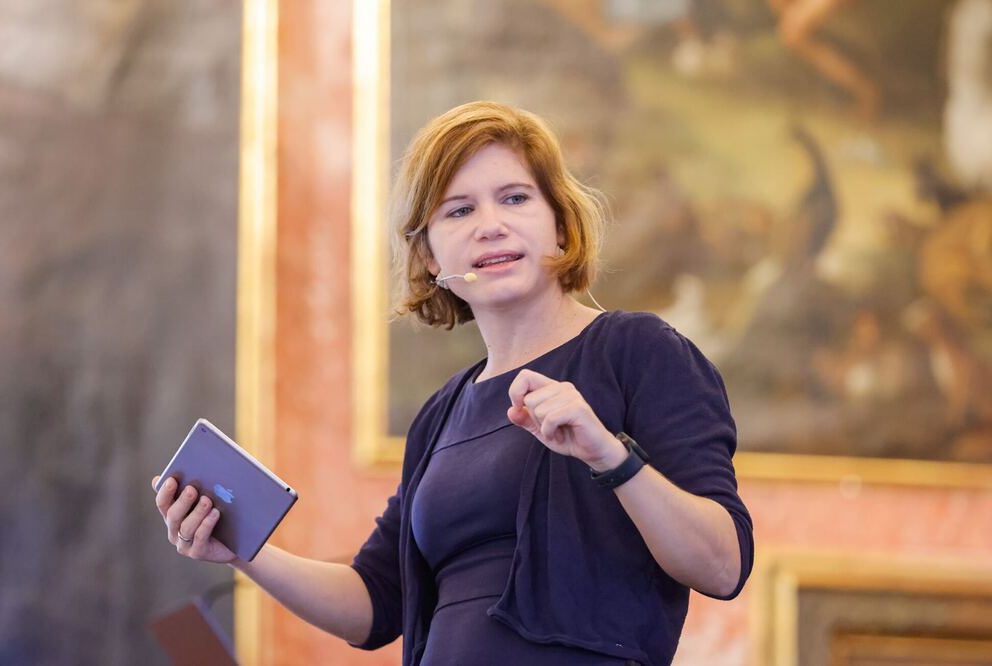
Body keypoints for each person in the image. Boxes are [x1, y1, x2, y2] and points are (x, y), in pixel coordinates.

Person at [153, 101, 754, 666]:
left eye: (515, 198)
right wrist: (243, 550)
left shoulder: (639, 352)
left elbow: (722, 566)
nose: (491, 226)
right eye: (459, 211)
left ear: (561, 226)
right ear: (431, 258)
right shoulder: (441, 413)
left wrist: (610, 456)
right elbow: (374, 603)